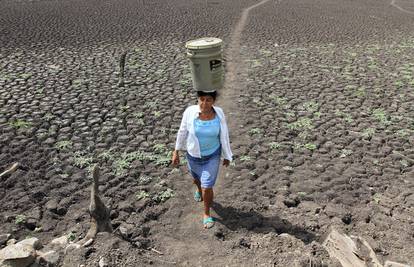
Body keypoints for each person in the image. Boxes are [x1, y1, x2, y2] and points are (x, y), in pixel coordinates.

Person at [172, 90, 233, 229]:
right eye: (202, 99)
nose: (204, 103)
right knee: (196, 180)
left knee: (207, 186)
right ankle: (198, 190)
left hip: (212, 155)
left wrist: (226, 155)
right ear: (198, 99)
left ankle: (206, 213)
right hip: (193, 155)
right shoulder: (190, 112)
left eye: (208, 100)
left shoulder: (219, 114)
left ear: (213, 101)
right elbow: (182, 131)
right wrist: (176, 151)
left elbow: (224, 135)